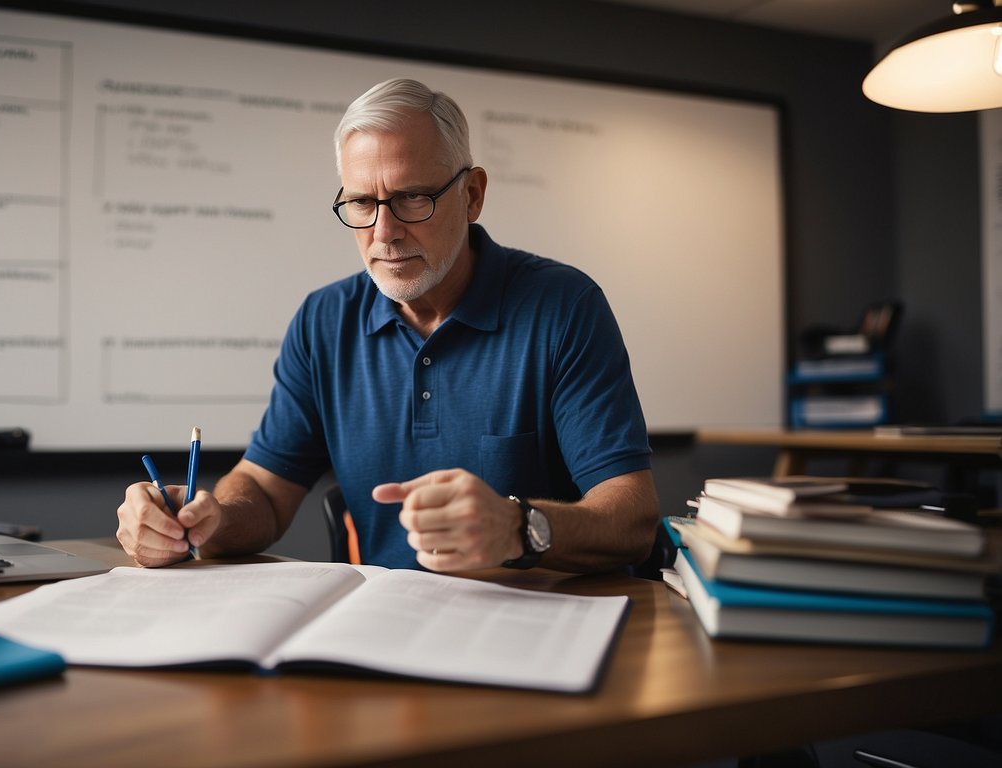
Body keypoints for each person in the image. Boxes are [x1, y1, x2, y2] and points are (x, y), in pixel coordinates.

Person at [117, 77, 659, 572]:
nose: (384, 232)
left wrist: (519, 528)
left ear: (472, 195)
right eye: (361, 202)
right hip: (385, 631)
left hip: (543, 626)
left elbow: (631, 517)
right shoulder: (323, 321)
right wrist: (205, 519)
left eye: (411, 199)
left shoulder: (564, 307)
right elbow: (262, 487)